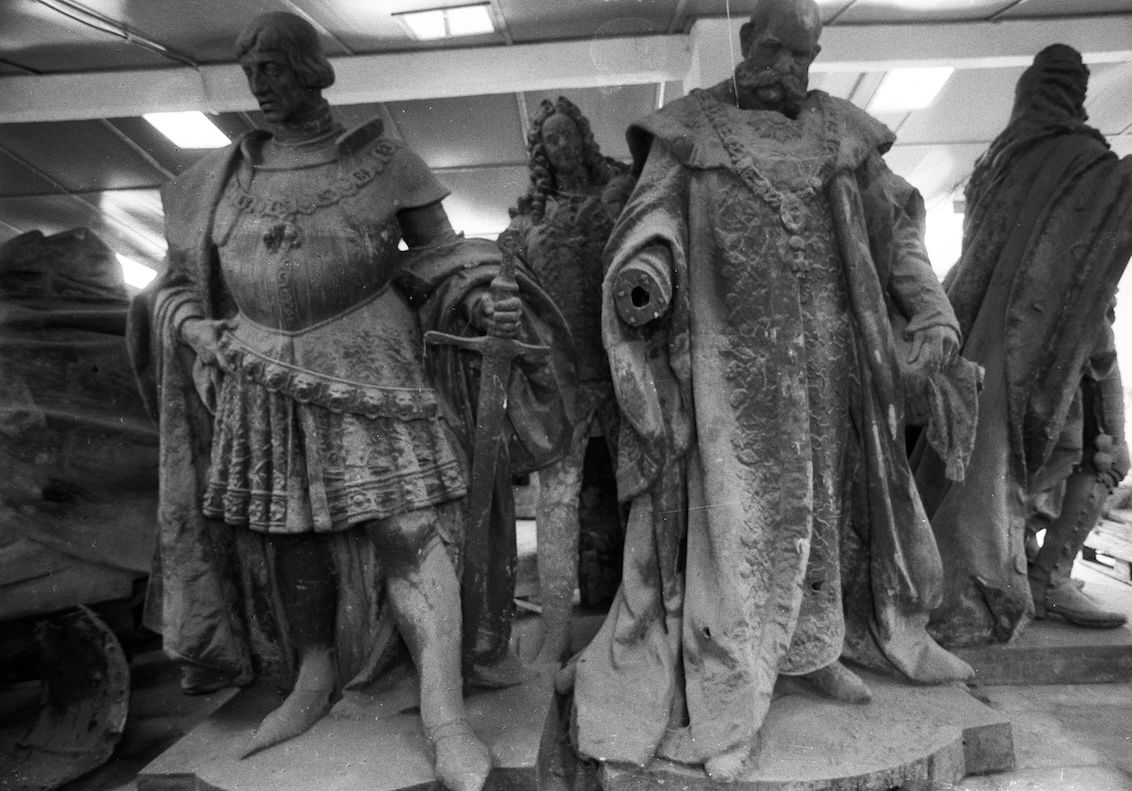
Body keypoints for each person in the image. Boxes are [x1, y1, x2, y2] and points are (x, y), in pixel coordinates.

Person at [126, 13, 568, 791]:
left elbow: (446, 259)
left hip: (370, 366)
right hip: (261, 375)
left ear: (312, 69)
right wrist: (197, 332)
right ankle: (310, 679)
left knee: (406, 531)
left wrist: (481, 303)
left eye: (273, 65)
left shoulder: (387, 162)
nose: (260, 83)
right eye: (249, 68)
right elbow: (172, 288)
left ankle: (444, 714)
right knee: (287, 535)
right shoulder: (212, 182)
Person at [569, 0, 974, 781]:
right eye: (780, 51)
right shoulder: (691, 130)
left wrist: (930, 308)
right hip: (731, 364)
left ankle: (813, 650)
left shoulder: (843, 133)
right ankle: (732, 687)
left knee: (823, 510)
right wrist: (645, 276)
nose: (792, 70)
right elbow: (649, 223)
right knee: (738, 522)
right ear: (748, 41)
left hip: (830, 358)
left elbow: (898, 230)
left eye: (806, 56)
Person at [912, 44, 1132, 646]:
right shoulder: (1083, 162)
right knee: (1096, 452)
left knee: (1059, 456)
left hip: (1009, 342)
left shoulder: (999, 162)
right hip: (1062, 346)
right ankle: (1043, 576)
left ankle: (1039, 573)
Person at [500, 96, 634, 666]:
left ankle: (644, 615)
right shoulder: (527, 223)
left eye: (566, 135)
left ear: (582, 137)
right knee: (556, 502)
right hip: (564, 377)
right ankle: (555, 629)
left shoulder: (621, 198)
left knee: (643, 491)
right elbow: (510, 291)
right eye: (548, 141)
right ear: (541, 155)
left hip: (620, 367)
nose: (560, 147)